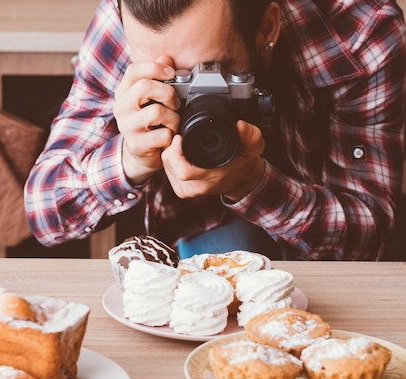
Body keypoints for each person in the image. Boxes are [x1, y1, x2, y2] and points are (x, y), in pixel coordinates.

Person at [24, 0, 406, 260]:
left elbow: (369, 238)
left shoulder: (360, 30)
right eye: (171, 79)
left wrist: (254, 186)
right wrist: (129, 159)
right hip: (196, 233)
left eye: (210, 73)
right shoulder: (125, 20)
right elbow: (44, 210)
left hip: (324, 243)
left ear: (267, 26)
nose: (195, 93)